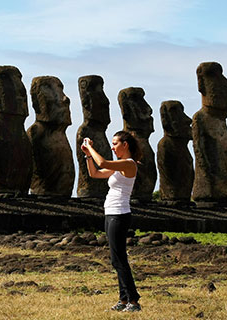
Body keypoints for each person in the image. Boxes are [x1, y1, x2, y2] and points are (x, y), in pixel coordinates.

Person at [81, 130, 142, 312]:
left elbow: (103, 162)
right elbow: (96, 173)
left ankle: (134, 301)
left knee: (119, 259)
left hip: (119, 214)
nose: (112, 147)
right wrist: (87, 157)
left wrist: (91, 147)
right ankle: (123, 300)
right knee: (116, 259)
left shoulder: (129, 164)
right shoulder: (119, 166)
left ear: (126, 145)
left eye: (115, 143)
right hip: (111, 213)